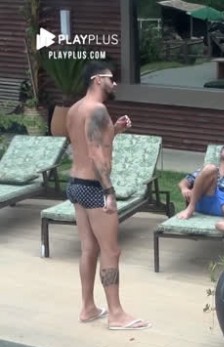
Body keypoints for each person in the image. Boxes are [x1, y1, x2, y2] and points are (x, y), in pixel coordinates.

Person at [65, 61, 151, 330]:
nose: (115, 84)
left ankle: (88, 307)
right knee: (111, 250)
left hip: (75, 184)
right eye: (111, 79)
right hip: (94, 188)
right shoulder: (98, 109)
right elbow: (95, 154)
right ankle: (116, 314)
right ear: (97, 80)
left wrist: (114, 129)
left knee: (88, 248)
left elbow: (87, 143)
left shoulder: (75, 109)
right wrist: (109, 192)